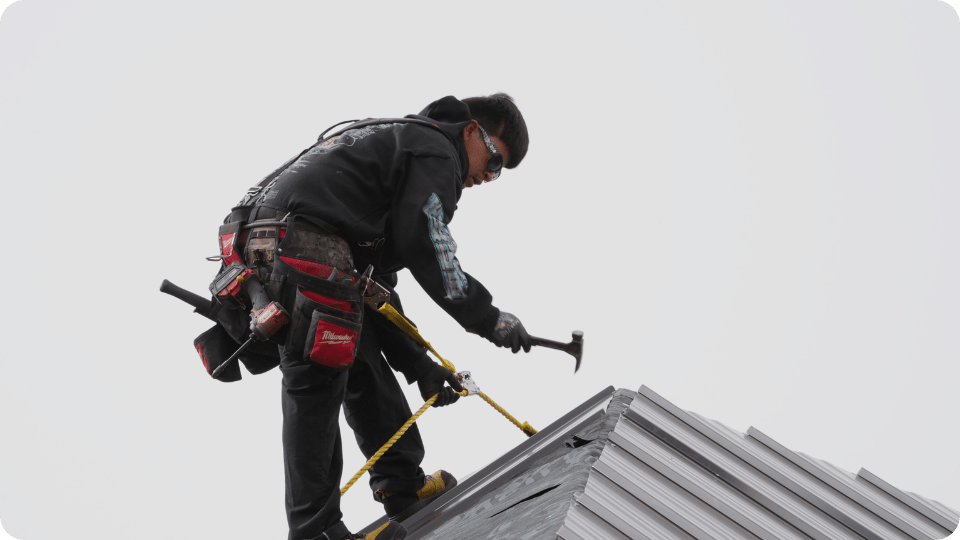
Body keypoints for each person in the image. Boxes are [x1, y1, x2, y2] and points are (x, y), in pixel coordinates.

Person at [219, 93, 532, 540]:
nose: (490, 175)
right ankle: (316, 531)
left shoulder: (393, 143)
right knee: (317, 380)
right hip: (303, 250)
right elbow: (427, 239)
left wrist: (419, 364)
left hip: (269, 251)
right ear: (470, 129)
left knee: (355, 349)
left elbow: (375, 292)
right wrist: (488, 317)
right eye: (496, 158)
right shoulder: (437, 150)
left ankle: (401, 486)